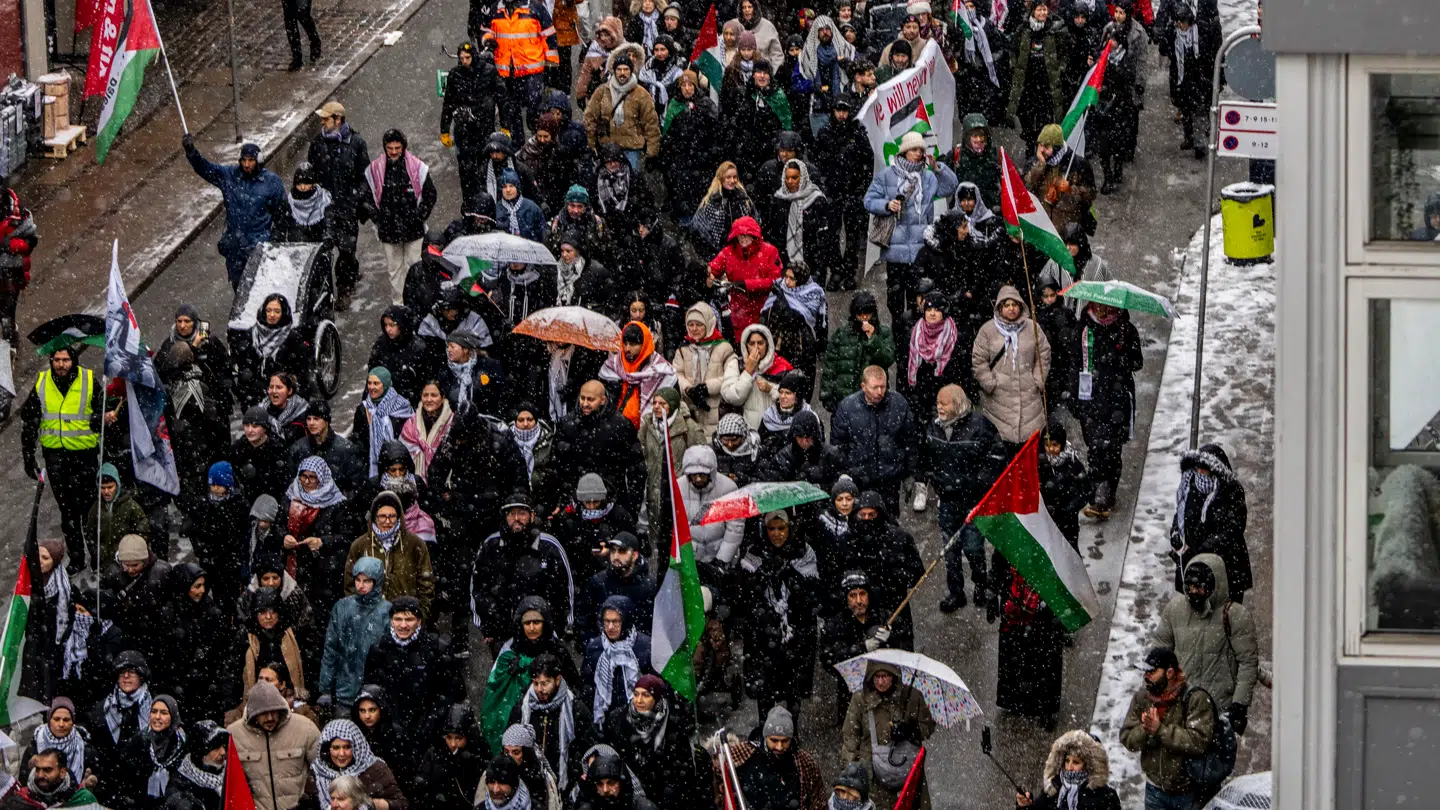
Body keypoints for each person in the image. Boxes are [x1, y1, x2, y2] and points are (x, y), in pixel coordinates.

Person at [1154, 554, 1258, 737]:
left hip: (1218, 711)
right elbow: (1159, 653)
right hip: (1181, 709)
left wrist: (1240, 704)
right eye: (1190, 587)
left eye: (1200, 587)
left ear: (1214, 586)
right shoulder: (1175, 610)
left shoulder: (1236, 616)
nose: (1194, 592)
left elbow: (1247, 662)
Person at [363, 597, 461, 785]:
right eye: (398, 619)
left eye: (409, 619)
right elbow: (371, 691)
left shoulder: (436, 649)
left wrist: (430, 723)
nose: (403, 625)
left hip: (427, 735)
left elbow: (450, 691)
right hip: (390, 736)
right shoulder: (380, 649)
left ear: (419, 621)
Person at [922, 384, 1003, 611]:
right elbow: (926, 456)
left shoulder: (980, 426)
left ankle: (980, 584)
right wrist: (934, 478)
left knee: (974, 547)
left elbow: (996, 458)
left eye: (944, 403)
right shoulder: (934, 428)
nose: (939, 407)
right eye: (938, 402)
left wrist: (977, 483)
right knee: (950, 551)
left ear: (957, 405)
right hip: (947, 501)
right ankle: (956, 593)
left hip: (973, 502)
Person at [21, 347, 102, 572]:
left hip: (84, 456)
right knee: (68, 513)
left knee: (89, 511)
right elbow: (30, 421)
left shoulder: (88, 380)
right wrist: (28, 455)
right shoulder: (42, 382)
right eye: (56, 360)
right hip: (56, 458)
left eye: (65, 360)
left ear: (73, 360)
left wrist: (98, 419)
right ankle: (76, 559)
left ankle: (97, 556)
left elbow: (102, 409)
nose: (61, 364)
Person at [863, 131, 960, 320]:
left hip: (920, 251)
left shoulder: (928, 177)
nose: (918, 153)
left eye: (921, 150)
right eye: (914, 149)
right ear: (904, 151)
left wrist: (938, 168)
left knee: (917, 301)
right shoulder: (887, 175)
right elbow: (868, 200)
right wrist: (887, 205)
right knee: (895, 302)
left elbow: (950, 186)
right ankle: (899, 332)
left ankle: (915, 335)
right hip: (895, 250)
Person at [738, 511, 821, 726]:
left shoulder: (803, 552)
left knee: (793, 689)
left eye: (781, 528)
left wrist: (789, 575)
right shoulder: (754, 553)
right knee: (764, 689)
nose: (776, 534)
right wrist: (763, 576)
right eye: (771, 529)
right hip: (763, 634)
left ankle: (792, 732)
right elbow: (746, 594)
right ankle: (765, 730)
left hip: (795, 631)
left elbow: (811, 594)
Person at [181, 137, 287, 289]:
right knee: (239, 291)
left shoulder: (272, 183)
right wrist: (191, 151)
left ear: (259, 160)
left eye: (251, 160)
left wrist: (275, 240)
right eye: (244, 160)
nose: (246, 164)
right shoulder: (230, 176)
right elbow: (205, 168)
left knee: (260, 290)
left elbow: (283, 215)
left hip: (259, 249)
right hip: (235, 251)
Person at [1069, 302, 1142, 519]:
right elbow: (1074, 364)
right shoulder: (1083, 330)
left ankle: (1106, 494)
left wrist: (1118, 359)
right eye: (1098, 306)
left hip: (1117, 399)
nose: (1102, 310)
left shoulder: (1126, 330)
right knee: (1095, 447)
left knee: (1112, 450)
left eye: (1106, 306)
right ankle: (1098, 495)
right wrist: (1073, 395)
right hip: (1090, 398)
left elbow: (1137, 362)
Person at [1121, 648, 1216, 810]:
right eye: (1145, 671)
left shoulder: (1194, 698)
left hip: (1188, 791)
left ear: (1169, 673)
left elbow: (1199, 742)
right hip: (1154, 790)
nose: (1146, 676)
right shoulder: (1142, 698)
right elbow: (1127, 739)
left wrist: (1161, 731)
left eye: (1152, 672)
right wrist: (1145, 729)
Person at [841, 661, 934, 810]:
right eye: (876, 677)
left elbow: (927, 727)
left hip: (906, 772)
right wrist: (851, 773)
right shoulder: (860, 699)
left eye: (885, 676)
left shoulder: (912, 697)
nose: (880, 682)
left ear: (894, 676)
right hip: (871, 776)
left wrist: (910, 731)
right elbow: (850, 738)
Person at [990, 549, 1065, 729]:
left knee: (1045, 657)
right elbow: (998, 562)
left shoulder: (1050, 545)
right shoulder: (1010, 541)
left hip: (1043, 607)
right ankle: (1017, 698)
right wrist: (992, 590)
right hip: (1015, 606)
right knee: (1015, 653)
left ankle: (1045, 705)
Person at [1168, 444, 1251, 603]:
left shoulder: (1230, 491)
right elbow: (1180, 514)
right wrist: (1176, 534)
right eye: (1198, 468)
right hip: (1192, 563)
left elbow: (1234, 528)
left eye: (1204, 470)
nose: (1199, 473)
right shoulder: (1189, 487)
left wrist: (1206, 548)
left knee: (1223, 608)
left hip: (1224, 564)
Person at [307, 102, 370, 309]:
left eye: (326, 119)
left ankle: (345, 288)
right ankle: (326, 291)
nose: (322, 122)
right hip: (323, 210)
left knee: (346, 251)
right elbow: (311, 173)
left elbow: (365, 177)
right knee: (324, 251)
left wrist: (354, 198)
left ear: (338, 119)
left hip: (346, 209)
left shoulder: (356, 143)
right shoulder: (318, 144)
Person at [831, 367, 917, 517]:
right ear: (863, 386)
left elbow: (910, 440)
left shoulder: (899, 404)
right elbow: (838, 445)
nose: (880, 392)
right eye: (875, 387)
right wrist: (842, 474)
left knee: (888, 521)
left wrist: (910, 473)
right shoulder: (847, 407)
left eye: (883, 386)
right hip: (859, 480)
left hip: (889, 481)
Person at [363, 130, 437, 306]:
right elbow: (366, 198)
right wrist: (378, 219)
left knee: (415, 267)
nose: (394, 152)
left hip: (414, 231)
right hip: (388, 231)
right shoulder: (375, 170)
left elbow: (430, 195)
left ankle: (416, 303)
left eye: (397, 148)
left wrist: (418, 217)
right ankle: (399, 304)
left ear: (403, 147)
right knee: (395, 271)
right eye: (390, 148)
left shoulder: (418, 168)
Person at [972, 287, 1051, 448]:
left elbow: (1043, 354)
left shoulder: (1033, 327)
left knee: (1028, 453)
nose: (1011, 308)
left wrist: (1037, 379)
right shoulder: (987, 331)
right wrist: (990, 383)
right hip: (998, 402)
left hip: (1030, 401)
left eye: (1014, 304)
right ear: (1000, 308)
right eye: (1007, 305)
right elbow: (979, 361)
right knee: (1002, 453)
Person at [552, 382, 646, 515]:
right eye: (582, 398)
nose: (585, 403)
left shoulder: (621, 426)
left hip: (613, 500)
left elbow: (636, 469)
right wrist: (560, 500)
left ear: (603, 400)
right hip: (576, 500)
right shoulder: (567, 424)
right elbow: (557, 465)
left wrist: (631, 507)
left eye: (590, 399)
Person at [229, 681, 322, 810]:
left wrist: (310, 799)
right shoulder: (234, 734)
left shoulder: (305, 728)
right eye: (263, 713)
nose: (270, 718)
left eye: (274, 712)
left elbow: (323, 770)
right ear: (252, 713)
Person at [342, 491, 434, 620]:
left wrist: (420, 615)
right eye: (382, 516)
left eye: (392, 516)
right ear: (375, 517)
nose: (387, 521)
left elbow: (426, 583)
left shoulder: (415, 544)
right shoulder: (360, 545)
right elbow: (350, 585)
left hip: (405, 620)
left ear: (399, 517)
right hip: (370, 619)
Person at [509, 654, 593, 791]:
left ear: (557, 680)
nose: (539, 689)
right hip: (530, 783)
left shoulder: (575, 709)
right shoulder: (522, 708)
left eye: (544, 683)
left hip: (566, 783)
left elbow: (588, 747)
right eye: (535, 683)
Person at [819, 571, 893, 724]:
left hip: (883, 693)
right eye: (853, 595)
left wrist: (890, 638)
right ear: (845, 598)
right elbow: (829, 659)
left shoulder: (883, 617)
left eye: (862, 594)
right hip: (850, 697)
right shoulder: (835, 625)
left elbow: (901, 650)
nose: (859, 601)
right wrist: (862, 648)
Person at [813, 99, 871, 291]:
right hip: (832, 192)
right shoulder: (825, 133)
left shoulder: (857, 133)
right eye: (838, 110)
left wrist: (862, 187)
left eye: (845, 110)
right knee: (831, 235)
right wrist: (824, 186)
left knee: (853, 235)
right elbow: (817, 161)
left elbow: (868, 160)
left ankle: (850, 270)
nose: (841, 114)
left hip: (853, 191)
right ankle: (837, 269)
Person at [724, 707, 825, 810]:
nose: (779, 747)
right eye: (774, 740)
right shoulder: (746, 753)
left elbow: (818, 800)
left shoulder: (804, 762)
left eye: (785, 741)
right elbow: (721, 770)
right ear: (766, 736)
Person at [299, 720, 408, 810]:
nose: (341, 753)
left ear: (356, 747)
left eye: (347, 747)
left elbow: (401, 804)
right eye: (336, 748)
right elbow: (307, 803)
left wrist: (369, 805)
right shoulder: (318, 771)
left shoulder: (374, 768)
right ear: (328, 749)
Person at [579, 595, 654, 724]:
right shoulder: (595, 648)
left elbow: (655, 686)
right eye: (606, 621)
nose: (610, 627)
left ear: (626, 621)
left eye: (616, 621)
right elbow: (587, 685)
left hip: (639, 718)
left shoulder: (645, 646)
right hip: (606, 719)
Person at [442, 42, 501, 205]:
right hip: (464, 130)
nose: (464, 61)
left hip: (484, 128)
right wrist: (444, 130)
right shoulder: (455, 75)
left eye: (467, 58)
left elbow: (502, 99)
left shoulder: (489, 72)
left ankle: (487, 202)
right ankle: (469, 204)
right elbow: (448, 103)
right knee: (466, 170)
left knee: (486, 168)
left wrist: (505, 126)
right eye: (461, 58)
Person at [659, 73, 723, 222]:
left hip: (702, 160)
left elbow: (715, 129)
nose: (687, 89)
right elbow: (668, 133)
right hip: (681, 159)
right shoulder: (675, 105)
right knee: (682, 193)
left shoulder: (706, 104)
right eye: (684, 85)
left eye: (690, 85)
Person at [819, 292, 895, 413]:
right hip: (845, 399)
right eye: (860, 314)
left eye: (867, 314)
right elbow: (830, 366)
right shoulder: (841, 335)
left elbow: (887, 359)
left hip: (873, 399)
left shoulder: (883, 333)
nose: (864, 318)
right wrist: (827, 395)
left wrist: (873, 339)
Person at [584, 52, 661, 171]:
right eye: (619, 69)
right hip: (607, 148)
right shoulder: (602, 91)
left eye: (626, 69)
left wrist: (652, 153)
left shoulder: (641, 94)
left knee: (631, 179)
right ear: (614, 71)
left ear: (631, 71)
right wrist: (592, 145)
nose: (622, 73)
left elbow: (651, 124)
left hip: (632, 149)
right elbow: (590, 117)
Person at [234, 299, 316, 411]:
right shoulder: (251, 336)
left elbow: (302, 374)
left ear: (283, 313)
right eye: (268, 310)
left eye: (277, 311)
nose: (272, 315)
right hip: (258, 397)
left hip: (286, 399)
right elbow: (245, 371)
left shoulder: (293, 338)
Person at [708, 216, 783, 336]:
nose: (742, 238)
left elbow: (775, 281)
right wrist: (707, 276)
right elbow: (711, 270)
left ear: (754, 235)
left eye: (745, 235)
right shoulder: (728, 253)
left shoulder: (770, 251)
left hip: (764, 309)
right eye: (739, 235)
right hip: (738, 312)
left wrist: (745, 284)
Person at [112, 695, 187, 809]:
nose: (157, 717)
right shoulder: (138, 742)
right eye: (154, 712)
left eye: (164, 713)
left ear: (173, 715)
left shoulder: (182, 743)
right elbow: (124, 778)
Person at [1015, 730, 1122, 810]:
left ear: (1089, 766)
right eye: (1067, 761)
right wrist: (1025, 806)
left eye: (1076, 762)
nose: (1069, 767)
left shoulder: (1104, 797)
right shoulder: (1054, 788)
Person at [674, 303, 737, 437]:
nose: (694, 329)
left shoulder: (724, 348)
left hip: (717, 408)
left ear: (708, 324)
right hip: (691, 408)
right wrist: (688, 389)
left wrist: (707, 388)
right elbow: (677, 373)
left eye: (699, 324)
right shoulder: (683, 349)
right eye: (690, 325)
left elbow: (731, 376)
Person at [600, 322, 677, 431]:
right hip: (617, 429)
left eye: (633, 344)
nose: (627, 349)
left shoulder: (661, 371)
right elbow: (607, 399)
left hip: (649, 431)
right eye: (625, 343)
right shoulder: (614, 365)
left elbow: (671, 404)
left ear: (644, 344)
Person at [1007, 2, 1063, 151]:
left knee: (1045, 117)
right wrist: (1014, 66)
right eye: (1039, 10)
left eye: (1045, 9)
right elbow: (1013, 50)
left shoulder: (1053, 30)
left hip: (1046, 82)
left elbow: (1063, 53)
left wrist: (1060, 69)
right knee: (1026, 115)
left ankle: (1042, 146)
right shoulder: (1023, 29)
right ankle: (1030, 145)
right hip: (1027, 82)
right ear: (1033, 11)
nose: (1042, 13)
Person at [1024, 126, 1097, 239]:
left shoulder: (1078, 164)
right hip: (1043, 228)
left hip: (1067, 231)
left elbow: (1091, 194)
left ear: (1057, 147)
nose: (1041, 150)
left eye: (1046, 147)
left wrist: (1070, 189)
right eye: (1040, 145)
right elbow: (1026, 186)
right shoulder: (1036, 162)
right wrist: (1041, 165)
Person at [411, 706, 488, 810]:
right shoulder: (434, 753)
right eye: (449, 737)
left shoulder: (478, 755)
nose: (453, 744)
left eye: (458, 738)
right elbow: (421, 785)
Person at [678, 446, 743, 565]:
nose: (698, 479)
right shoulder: (679, 488)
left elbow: (735, 528)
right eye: (694, 475)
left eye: (702, 475)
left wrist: (722, 559)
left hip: (720, 554)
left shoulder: (729, 487)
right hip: (690, 557)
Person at [721, 324, 792, 430]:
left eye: (760, 343)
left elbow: (793, 400)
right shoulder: (736, 365)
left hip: (776, 429)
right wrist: (748, 371)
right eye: (751, 343)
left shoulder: (781, 366)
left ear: (768, 344)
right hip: (746, 429)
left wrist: (771, 390)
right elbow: (732, 397)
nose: (756, 348)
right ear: (746, 346)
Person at [83, 464, 150, 574]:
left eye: (110, 487)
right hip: (105, 563)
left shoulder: (130, 506)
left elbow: (143, 530)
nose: (106, 491)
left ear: (117, 485)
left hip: (128, 562)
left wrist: (130, 551)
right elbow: (90, 534)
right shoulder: (95, 509)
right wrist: (97, 552)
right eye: (102, 488)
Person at [289, 399, 365, 496]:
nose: (311, 423)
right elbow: (291, 484)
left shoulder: (347, 449)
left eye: (316, 419)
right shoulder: (298, 448)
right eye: (308, 419)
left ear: (326, 421)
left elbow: (356, 486)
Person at [1168, 5, 1212, 161]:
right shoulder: (1173, 34)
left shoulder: (1201, 32)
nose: (1181, 26)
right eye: (1178, 22)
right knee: (1186, 110)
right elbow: (1169, 52)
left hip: (1199, 79)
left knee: (1200, 112)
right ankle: (1189, 138)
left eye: (1183, 22)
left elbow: (1209, 54)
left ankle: (1200, 144)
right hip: (1182, 78)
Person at [690, 163, 760, 259]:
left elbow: (756, 225)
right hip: (719, 257)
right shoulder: (711, 203)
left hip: (744, 255)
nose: (732, 180)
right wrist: (712, 257)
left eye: (735, 177)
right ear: (721, 178)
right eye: (728, 177)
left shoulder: (744, 201)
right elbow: (698, 232)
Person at [1039, 421, 1090, 551]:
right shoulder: (1040, 464)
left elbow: (1085, 491)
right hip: (1047, 519)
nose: (1051, 449)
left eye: (1055, 445)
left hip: (1068, 521)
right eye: (1047, 445)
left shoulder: (1072, 463)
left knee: (1070, 550)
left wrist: (1070, 508)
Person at [438, 331, 508, 418]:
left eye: (452, 346)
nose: (448, 350)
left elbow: (502, 395)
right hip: (456, 421)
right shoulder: (445, 372)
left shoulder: (488, 366)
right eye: (447, 346)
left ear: (465, 349)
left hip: (485, 420)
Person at [367, 310, 429, 406]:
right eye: (386, 325)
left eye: (392, 325)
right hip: (381, 397)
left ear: (402, 325)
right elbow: (372, 370)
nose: (388, 329)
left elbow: (424, 380)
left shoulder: (418, 348)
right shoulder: (381, 343)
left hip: (408, 400)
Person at [162, 722, 229, 810]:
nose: (223, 752)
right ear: (201, 752)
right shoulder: (180, 784)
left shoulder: (231, 773)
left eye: (224, 746)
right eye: (216, 748)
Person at [7, 748, 100, 810]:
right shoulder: (22, 799)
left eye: (47, 770)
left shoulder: (83, 800)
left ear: (62, 772)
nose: (40, 775)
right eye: (38, 769)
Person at [398, 382, 453, 480]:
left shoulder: (452, 423)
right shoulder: (410, 424)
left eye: (434, 395)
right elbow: (402, 456)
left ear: (442, 397)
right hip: (414, 481)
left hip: (443, 481)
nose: (429, 399)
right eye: (425, 395)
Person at [947, 114, 1001, 206]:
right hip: (963, 208)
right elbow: (945, 183)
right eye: (975, 136)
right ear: (967, 138)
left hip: (990, 209)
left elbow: (1011, 182)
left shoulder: (996, 154)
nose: (979, 140)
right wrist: (939, 168)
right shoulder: (956, 155)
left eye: (982, 135)